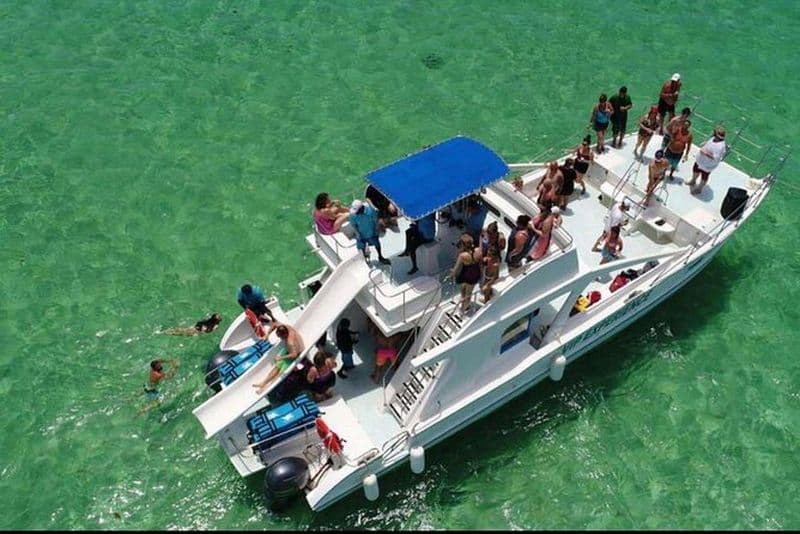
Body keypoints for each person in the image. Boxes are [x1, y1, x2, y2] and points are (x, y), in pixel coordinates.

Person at [252, 322, 305, 394]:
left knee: (280, 373)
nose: (280, 338)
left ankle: (266, 388)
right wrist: (268, 334)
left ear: (285, 334)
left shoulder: (290, 342)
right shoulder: (285, 327)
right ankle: (263, 383)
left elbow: (294, 354)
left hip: (296, 354)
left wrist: (281, 357)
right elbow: (275, 324)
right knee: (277, 367)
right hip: (289, 351)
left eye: (280, 337)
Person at [349, 199, 391, 265]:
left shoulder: (371, 211)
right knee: (361, 247)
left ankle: (380, 257)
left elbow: (376, 222)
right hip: (361, 234)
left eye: (357, 211)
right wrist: (357, 233)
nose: (355, 213)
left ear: (361, 208)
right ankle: (364, 259)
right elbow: (353, 224)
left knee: (377, 244)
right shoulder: (353, 215)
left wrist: (376, 231)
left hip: (372, 233)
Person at [688, 125, 727, 195]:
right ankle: (693, 180)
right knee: (695, 169)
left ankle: (699, 188)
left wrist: (705, 153)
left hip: (708, 165)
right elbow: (710, 142)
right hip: (700, 160)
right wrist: (705, 143)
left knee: (704, 176)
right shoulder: (713, 138)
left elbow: (716, 157)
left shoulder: (720, 146)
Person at [450, 233, 483, 314]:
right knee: (467, 291)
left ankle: (463, 310)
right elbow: (481, 264)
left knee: (466, 292)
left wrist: (451, 275)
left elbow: (456, 270)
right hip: (475, 273)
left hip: (466, 274)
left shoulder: (462, 256)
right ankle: (465, 305)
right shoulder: (478, 251)